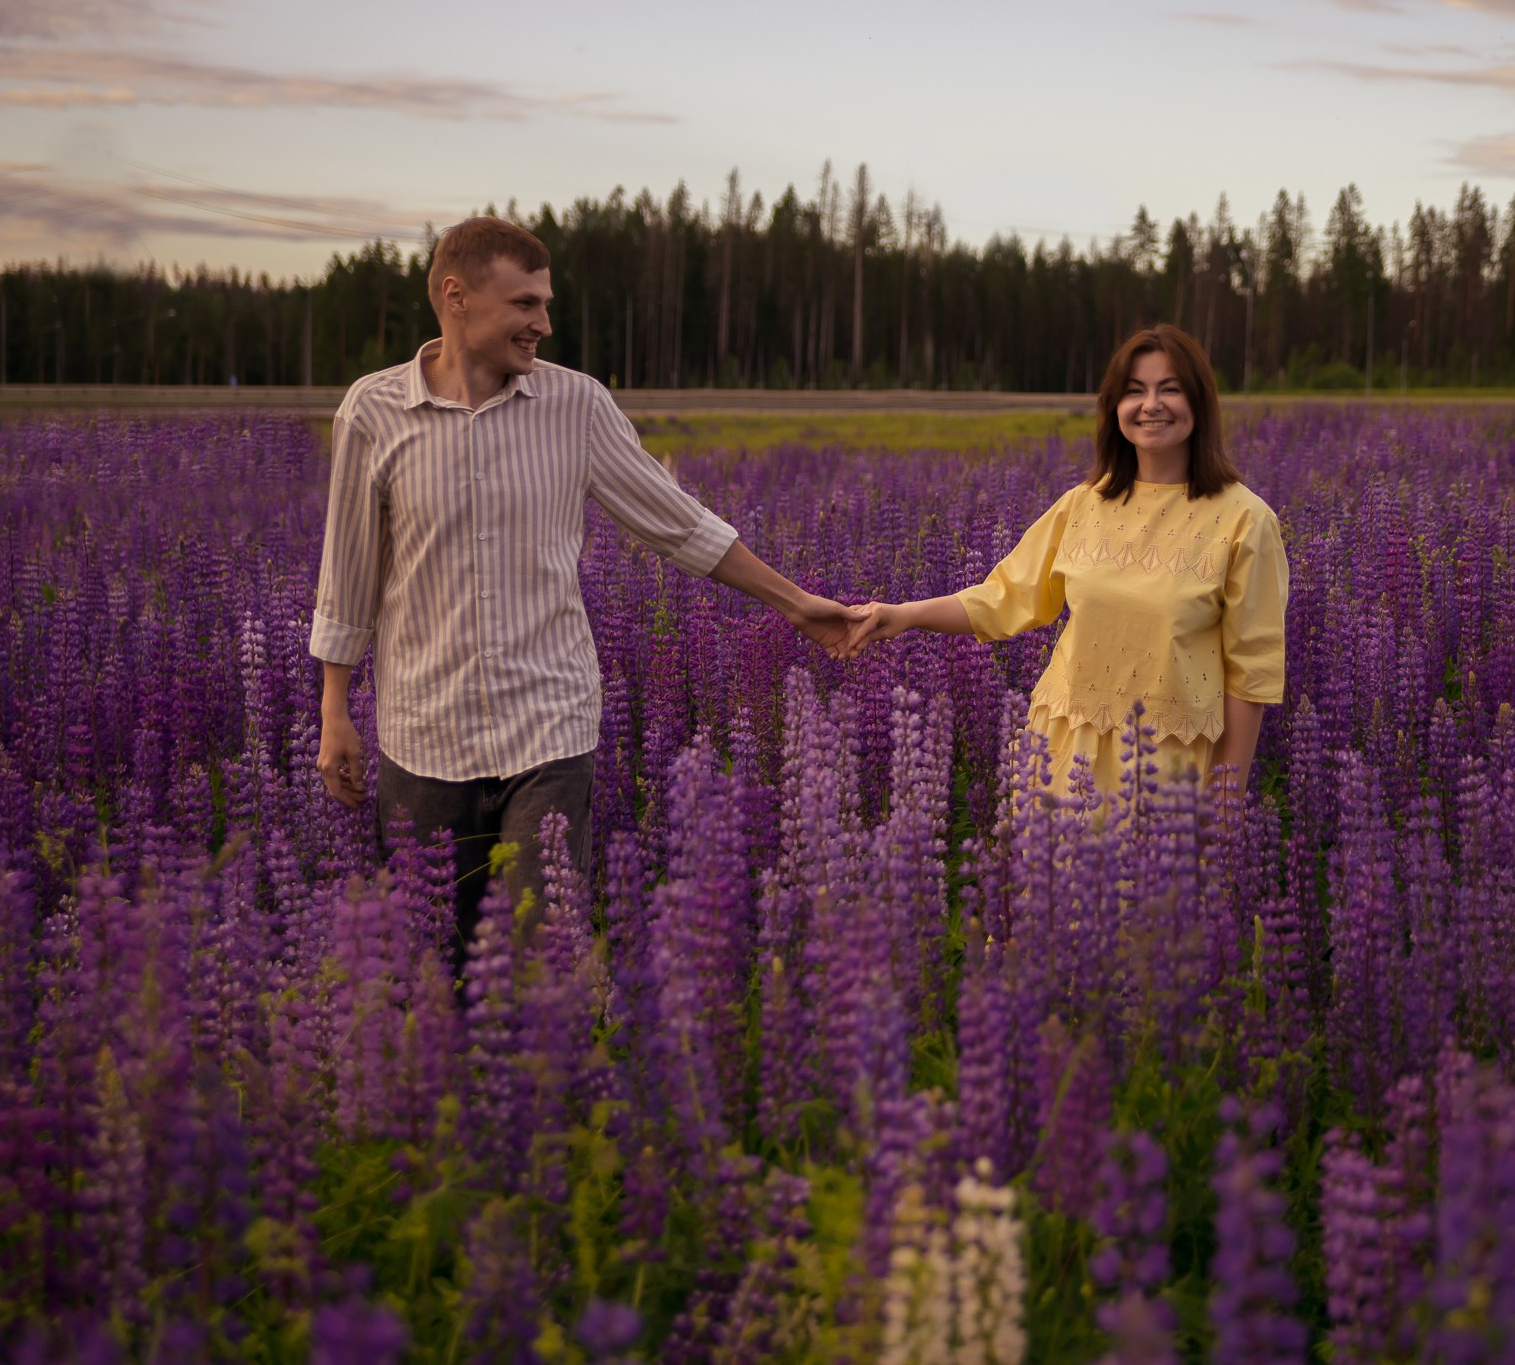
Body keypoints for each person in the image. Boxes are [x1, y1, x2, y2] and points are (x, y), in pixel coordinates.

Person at [311, 216, 852, 967]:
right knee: (427, 967)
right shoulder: (372, 412)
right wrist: (335, 710)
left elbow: (678, 524)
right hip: (422, 731)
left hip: (549, 729)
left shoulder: (577, 406)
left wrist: (795, 602)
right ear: (456, 297)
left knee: (540, 965)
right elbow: (348, 574)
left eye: (545, 303)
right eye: (525, 305)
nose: (544, 324)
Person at [846, 324, 1287, 801]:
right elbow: (1006, 597)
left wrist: (1227, 798)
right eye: (1134, 391)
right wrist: (902, 615)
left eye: (1171, 389)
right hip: (1063, 753)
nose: (1151, 405)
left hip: (1170, 767)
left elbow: (1251, 674)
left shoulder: (1245, 520)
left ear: (1200, 403)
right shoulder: (1082, 504)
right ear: (1114, 407)